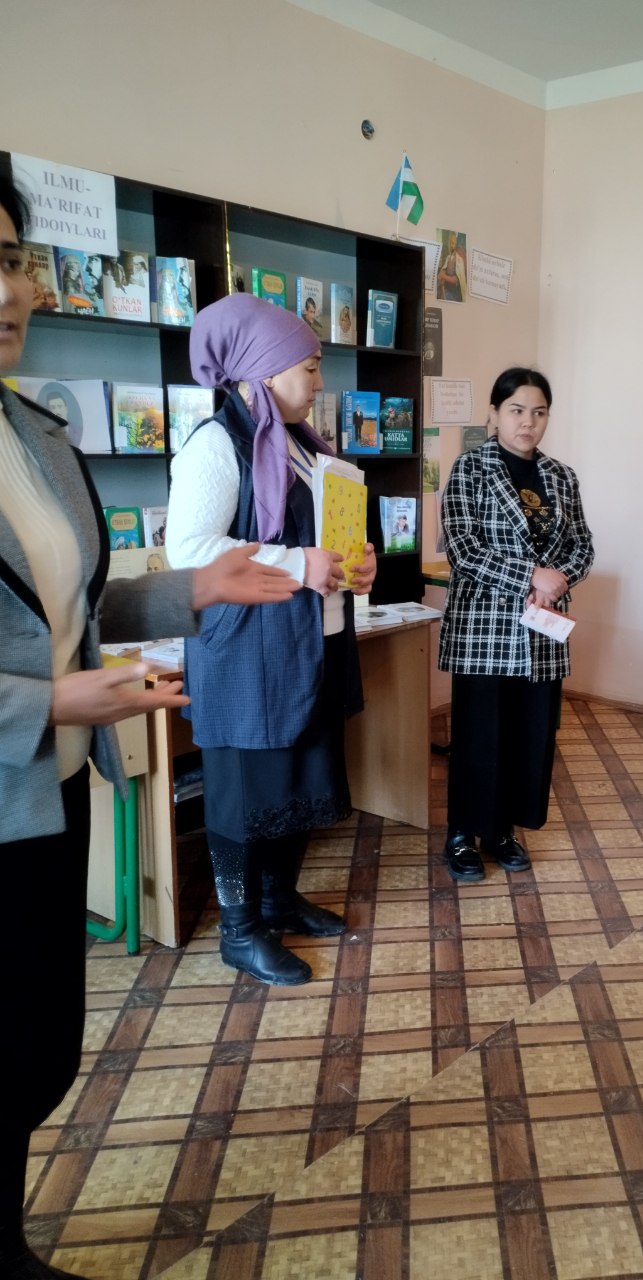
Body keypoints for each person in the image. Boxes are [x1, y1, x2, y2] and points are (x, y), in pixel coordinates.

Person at [0, 173, 301, 1280]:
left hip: (49, 786)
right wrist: (48, 702)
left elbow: (72, 607)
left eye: (11, 260)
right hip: (24, 757)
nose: (8, 291)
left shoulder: (33, 433)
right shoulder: (212, 441)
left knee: (32, 1045)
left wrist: (194, 590)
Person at [165, 292, 377, 988]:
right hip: (245, 654)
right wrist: (297, 563)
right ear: (263, 369)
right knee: (243, 792)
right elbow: (189, 551)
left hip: (305, 644)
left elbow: (324, 539)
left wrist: (356, 563)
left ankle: (279, 901)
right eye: (309, 368)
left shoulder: (302, 443)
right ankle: (239, 931)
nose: (319, 382)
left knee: (297, 779)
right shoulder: (216, 444)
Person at [438, 367, 594, 883]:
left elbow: (583, 546)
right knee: (480, 735)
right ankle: (463, 833)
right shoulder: (470, 468)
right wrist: (531, 574)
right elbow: (463, 549)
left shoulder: (561, 476)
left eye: (539, 412)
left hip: (542, 629)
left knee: (528, 735)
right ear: (495, 414)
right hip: (484, 630)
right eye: (517, 410)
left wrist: (558, 579)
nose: (528, 422)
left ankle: (502, 830)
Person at [436, 229, 467, 302]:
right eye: (450, 243)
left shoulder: (459, 260)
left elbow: (456, 279)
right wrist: (442, 275)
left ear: (456, 244)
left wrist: (443, 276)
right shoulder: (448, 257)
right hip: (446, 289)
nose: (451, 245)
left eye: (452, 243)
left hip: (454, 293)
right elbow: (443, 271)